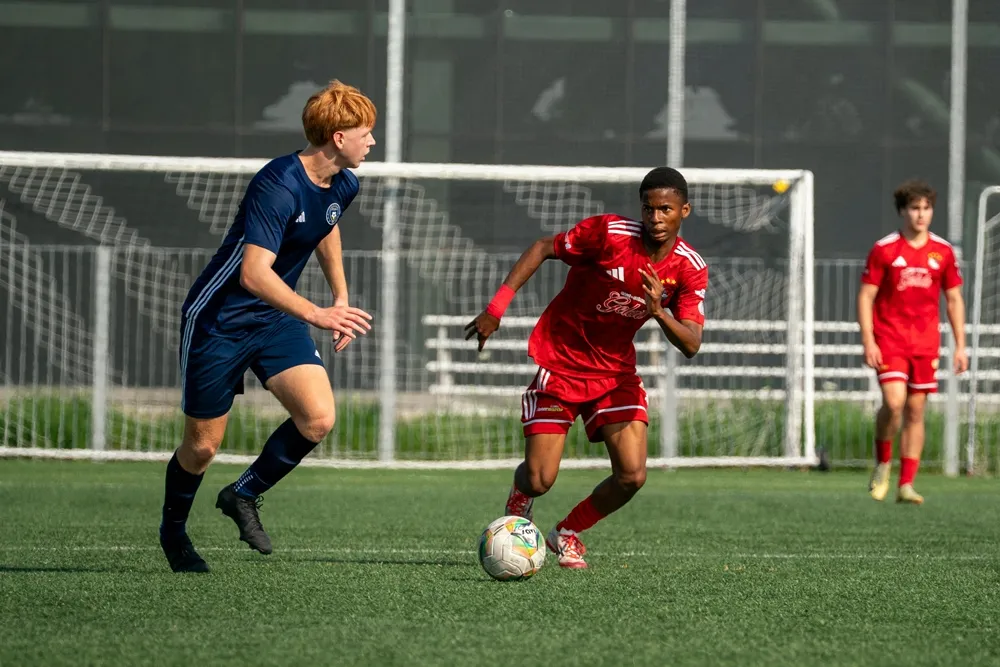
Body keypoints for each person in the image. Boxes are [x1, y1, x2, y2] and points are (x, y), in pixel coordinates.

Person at [159, 80, 376, 572]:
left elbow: (328, 224)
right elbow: (253, 274)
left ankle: (242, 494)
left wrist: (340, 295)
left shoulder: (344, 181)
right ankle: (173, 531)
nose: (373, 141)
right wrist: (318, 313)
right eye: (366, 132)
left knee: (318, 418)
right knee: (203, 446)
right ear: (338, 137)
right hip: (219, 321)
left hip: (274, 320)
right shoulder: (277, 184)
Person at [466, 167, 708, 569]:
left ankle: (567, 533)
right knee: (541, 479)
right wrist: (496, 309)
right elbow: (544, 247)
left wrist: (659, 311)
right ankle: (520, 497)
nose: (656, 218)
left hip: (614, 375)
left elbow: (692, 344)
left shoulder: (689, 267)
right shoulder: (609, 234)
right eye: (649, 209)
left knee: (632, 475)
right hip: (560, 362)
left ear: (685, 210)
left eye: (666, 209)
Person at [858, 180, 967, 505]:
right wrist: (868, 340)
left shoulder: (943, 251)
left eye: (926, 208)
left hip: (925, 343)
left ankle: (906, 485)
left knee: (916, 410)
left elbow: (954, 299)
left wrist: (961, 345)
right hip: (889, 339)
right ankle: (882, 464)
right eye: (915, 208)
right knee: (894, 403)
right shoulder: (885, 249)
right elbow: (867, 296)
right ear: (903, 211)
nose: (921, 215)